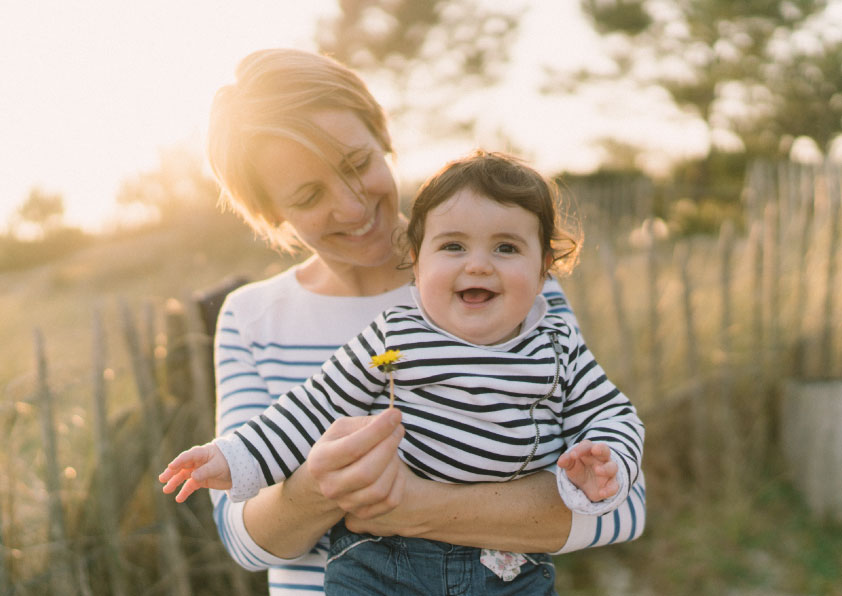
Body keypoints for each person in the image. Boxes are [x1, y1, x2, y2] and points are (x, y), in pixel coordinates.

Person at [183, 48, 646, 596]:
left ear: (383, 136)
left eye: (357, 164)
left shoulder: (514, 289)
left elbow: (620, 510)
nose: (353, 207)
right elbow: (243, 542)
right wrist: (316, 487)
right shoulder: (252, 316)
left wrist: (413, 508)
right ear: (270, 212)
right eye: (309, 196)